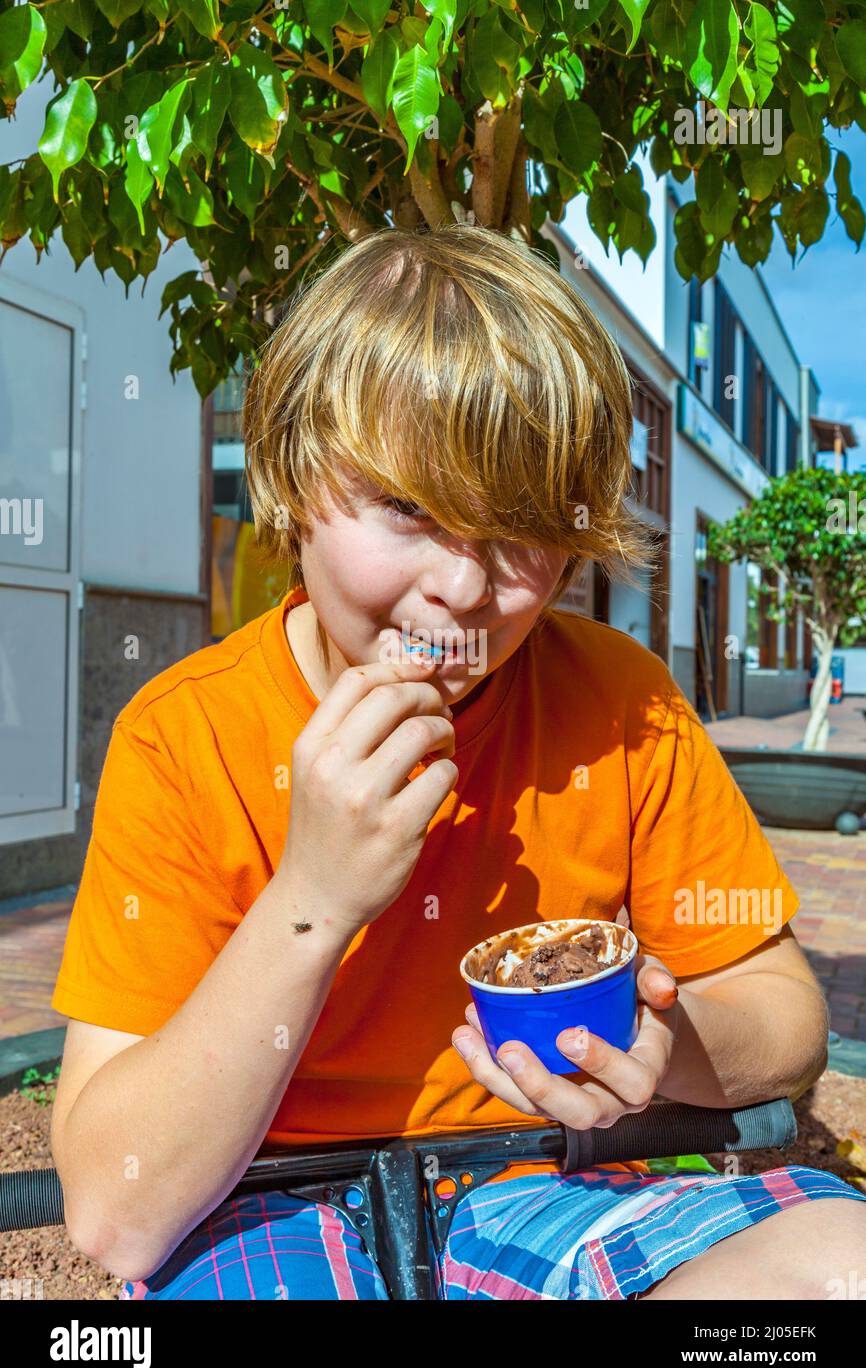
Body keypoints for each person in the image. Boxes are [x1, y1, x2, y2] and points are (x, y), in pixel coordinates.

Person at [50, 225, 866, 1301]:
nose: (463, 589)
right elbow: (117, 1209)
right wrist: (314, 896)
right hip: (265, 1196)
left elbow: (783, 1018)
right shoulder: (183, 733)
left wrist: (652, 1049)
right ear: (293, 479)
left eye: (517, 529)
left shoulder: (620, 699)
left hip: (561, 1177)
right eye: (409, 509)